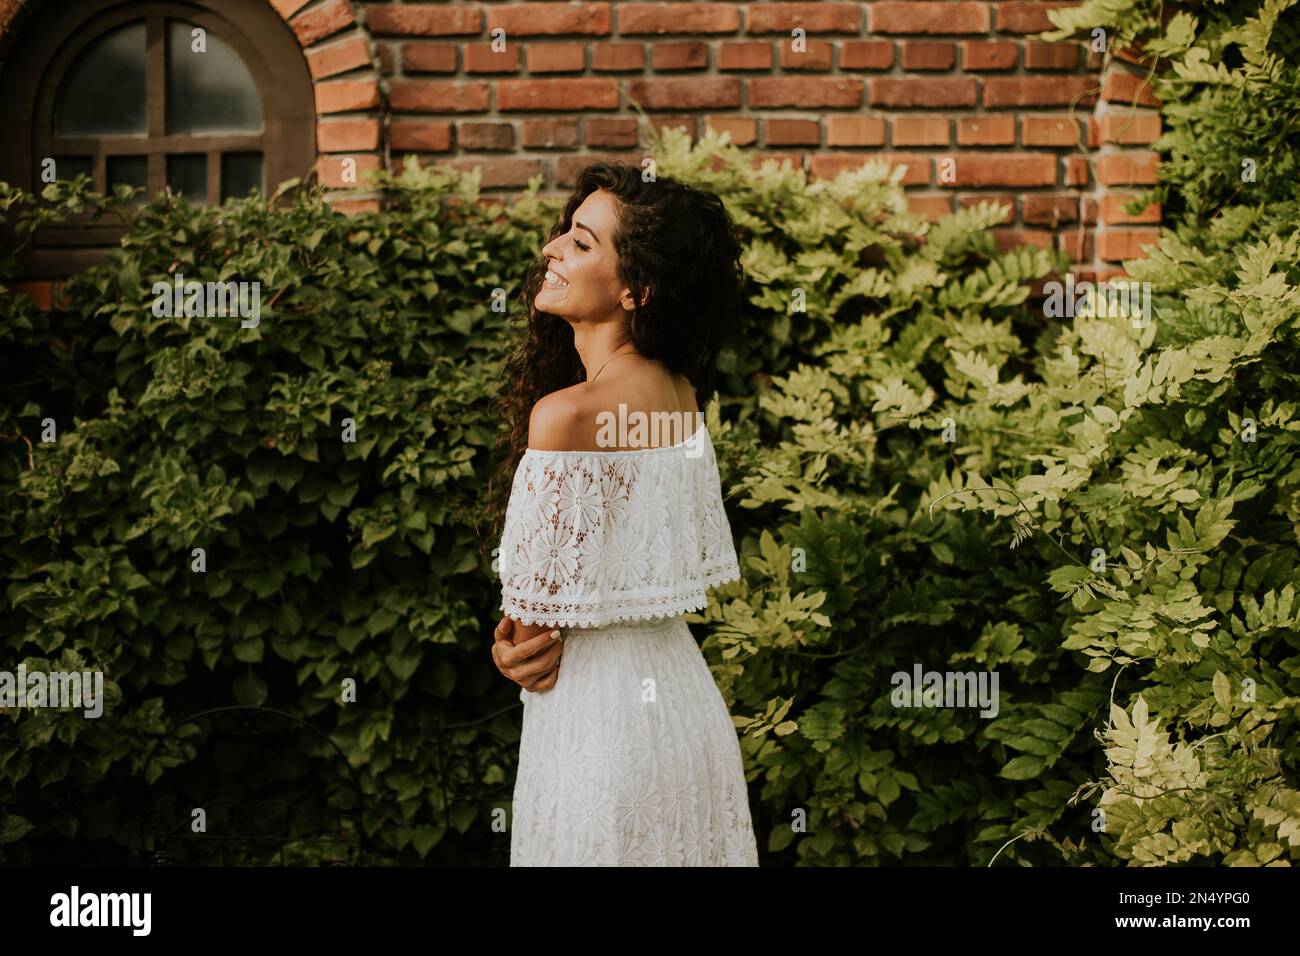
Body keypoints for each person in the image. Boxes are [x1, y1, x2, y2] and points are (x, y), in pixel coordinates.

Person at [483, 162, 759, 866]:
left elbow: (533, 631)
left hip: (600, 729)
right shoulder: (680, 393)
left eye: (581, 243)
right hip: (682, 709)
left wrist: (506, 648)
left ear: (636, 289)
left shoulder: (564, 416)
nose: (552, 250)